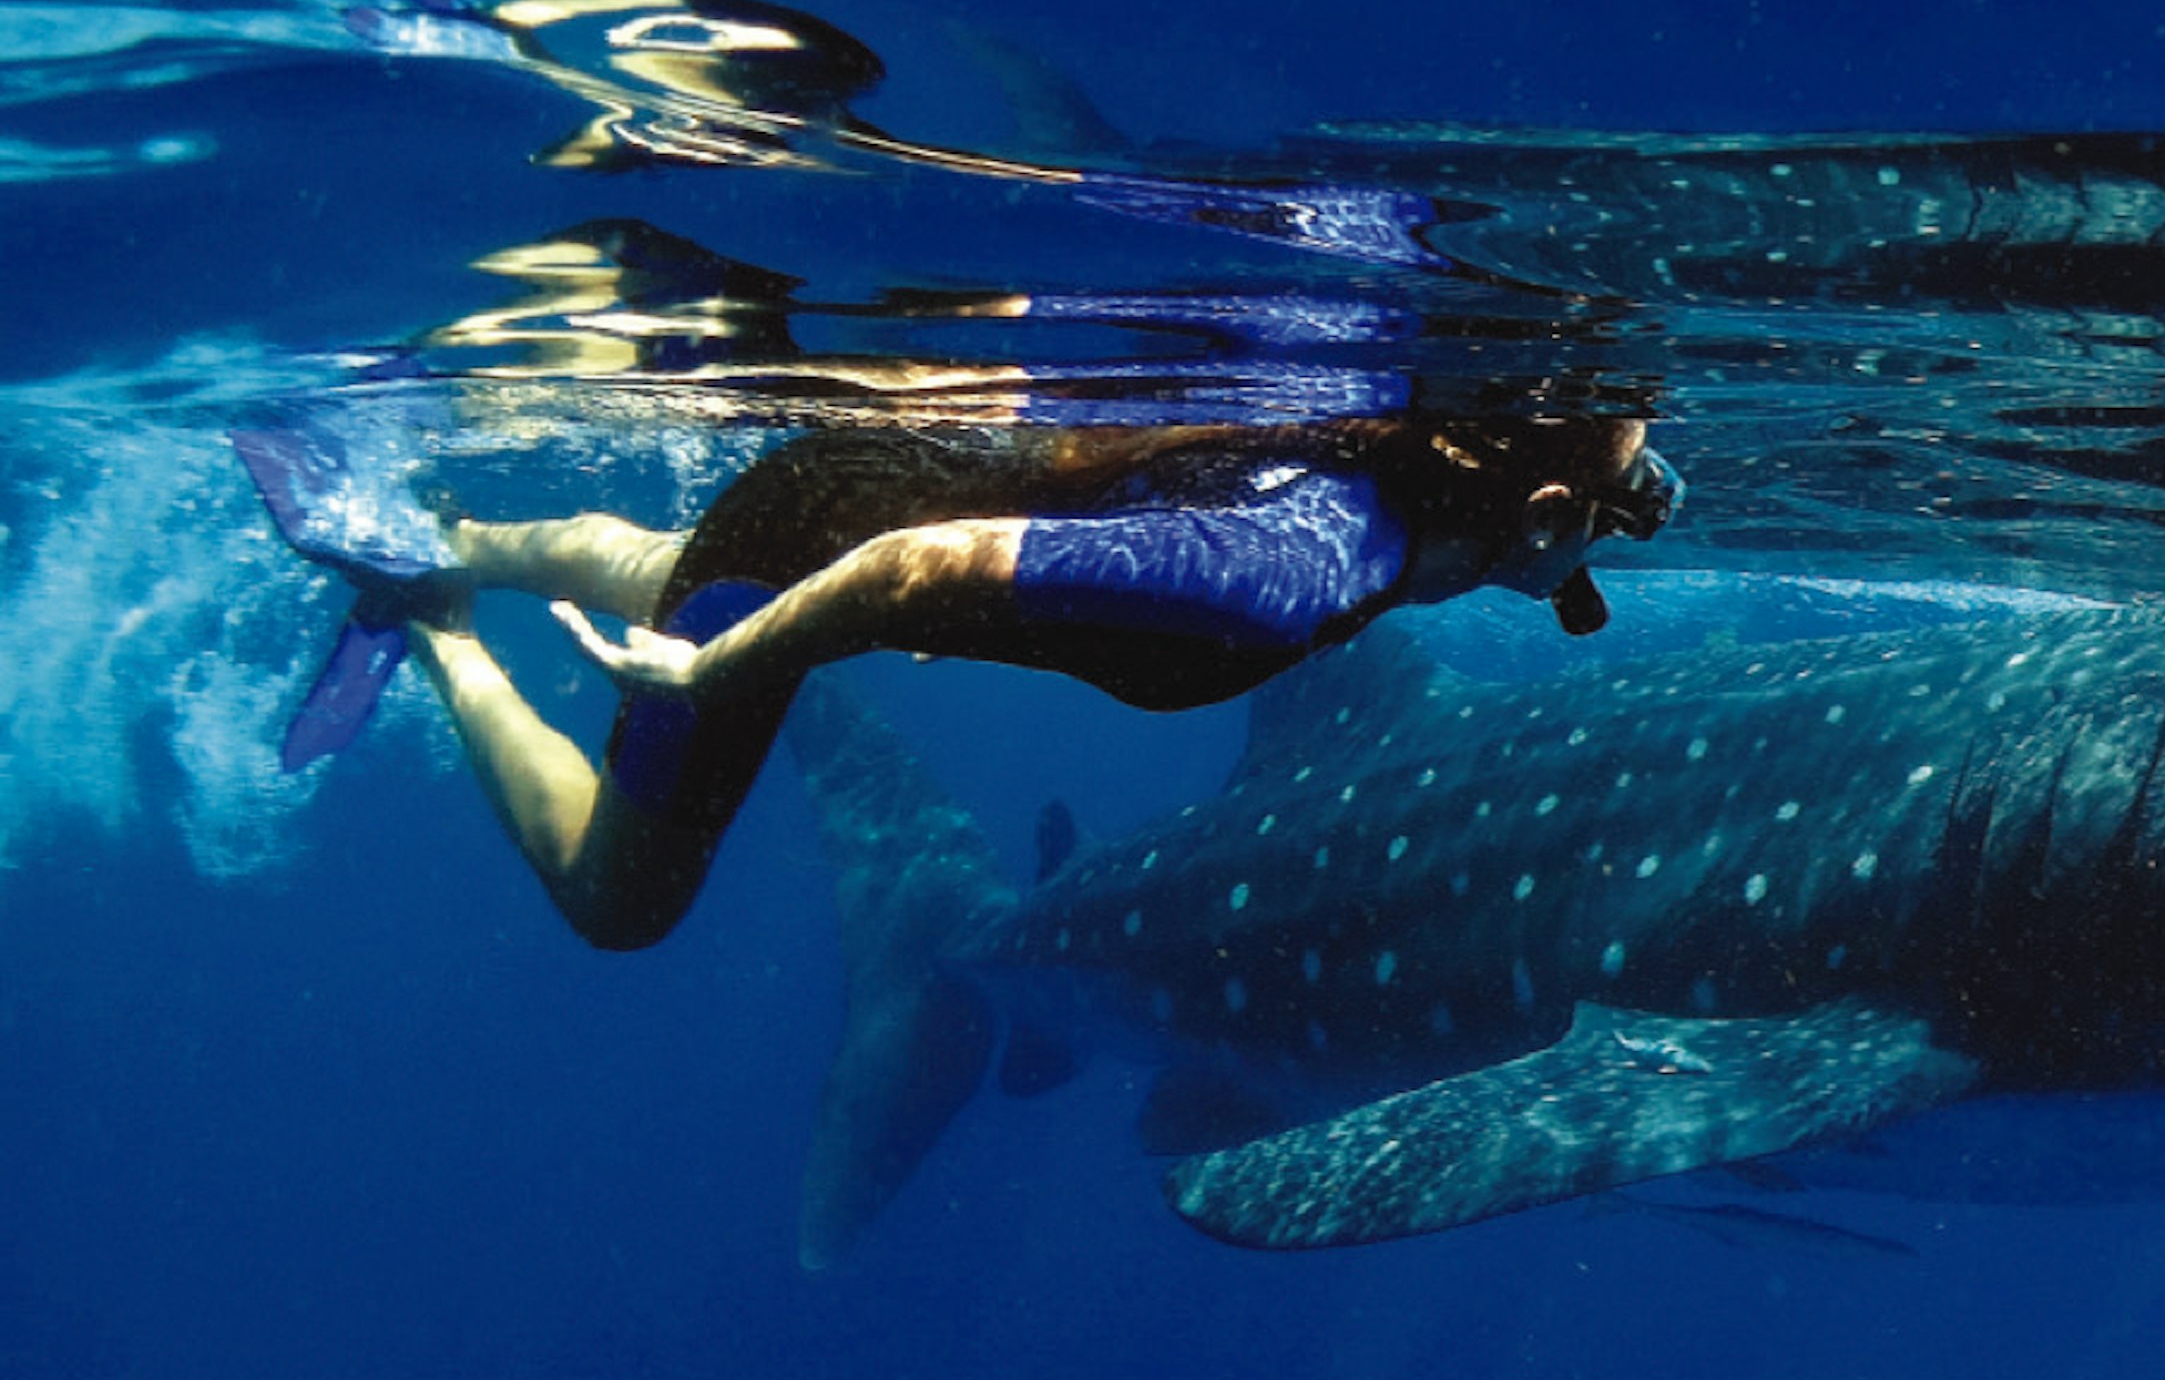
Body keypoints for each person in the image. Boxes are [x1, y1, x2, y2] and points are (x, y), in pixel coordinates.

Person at [237, 405, 1678, 951]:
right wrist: (728, 658)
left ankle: (456, 529)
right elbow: (915, 576)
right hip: (830, 546)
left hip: (845, 490)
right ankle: (435, 611)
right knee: (622, 902)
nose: (1653, 499)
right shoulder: (1300, 571)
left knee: (694, 556)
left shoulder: (1372, 464)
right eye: (1626, 499)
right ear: (1546, 519)